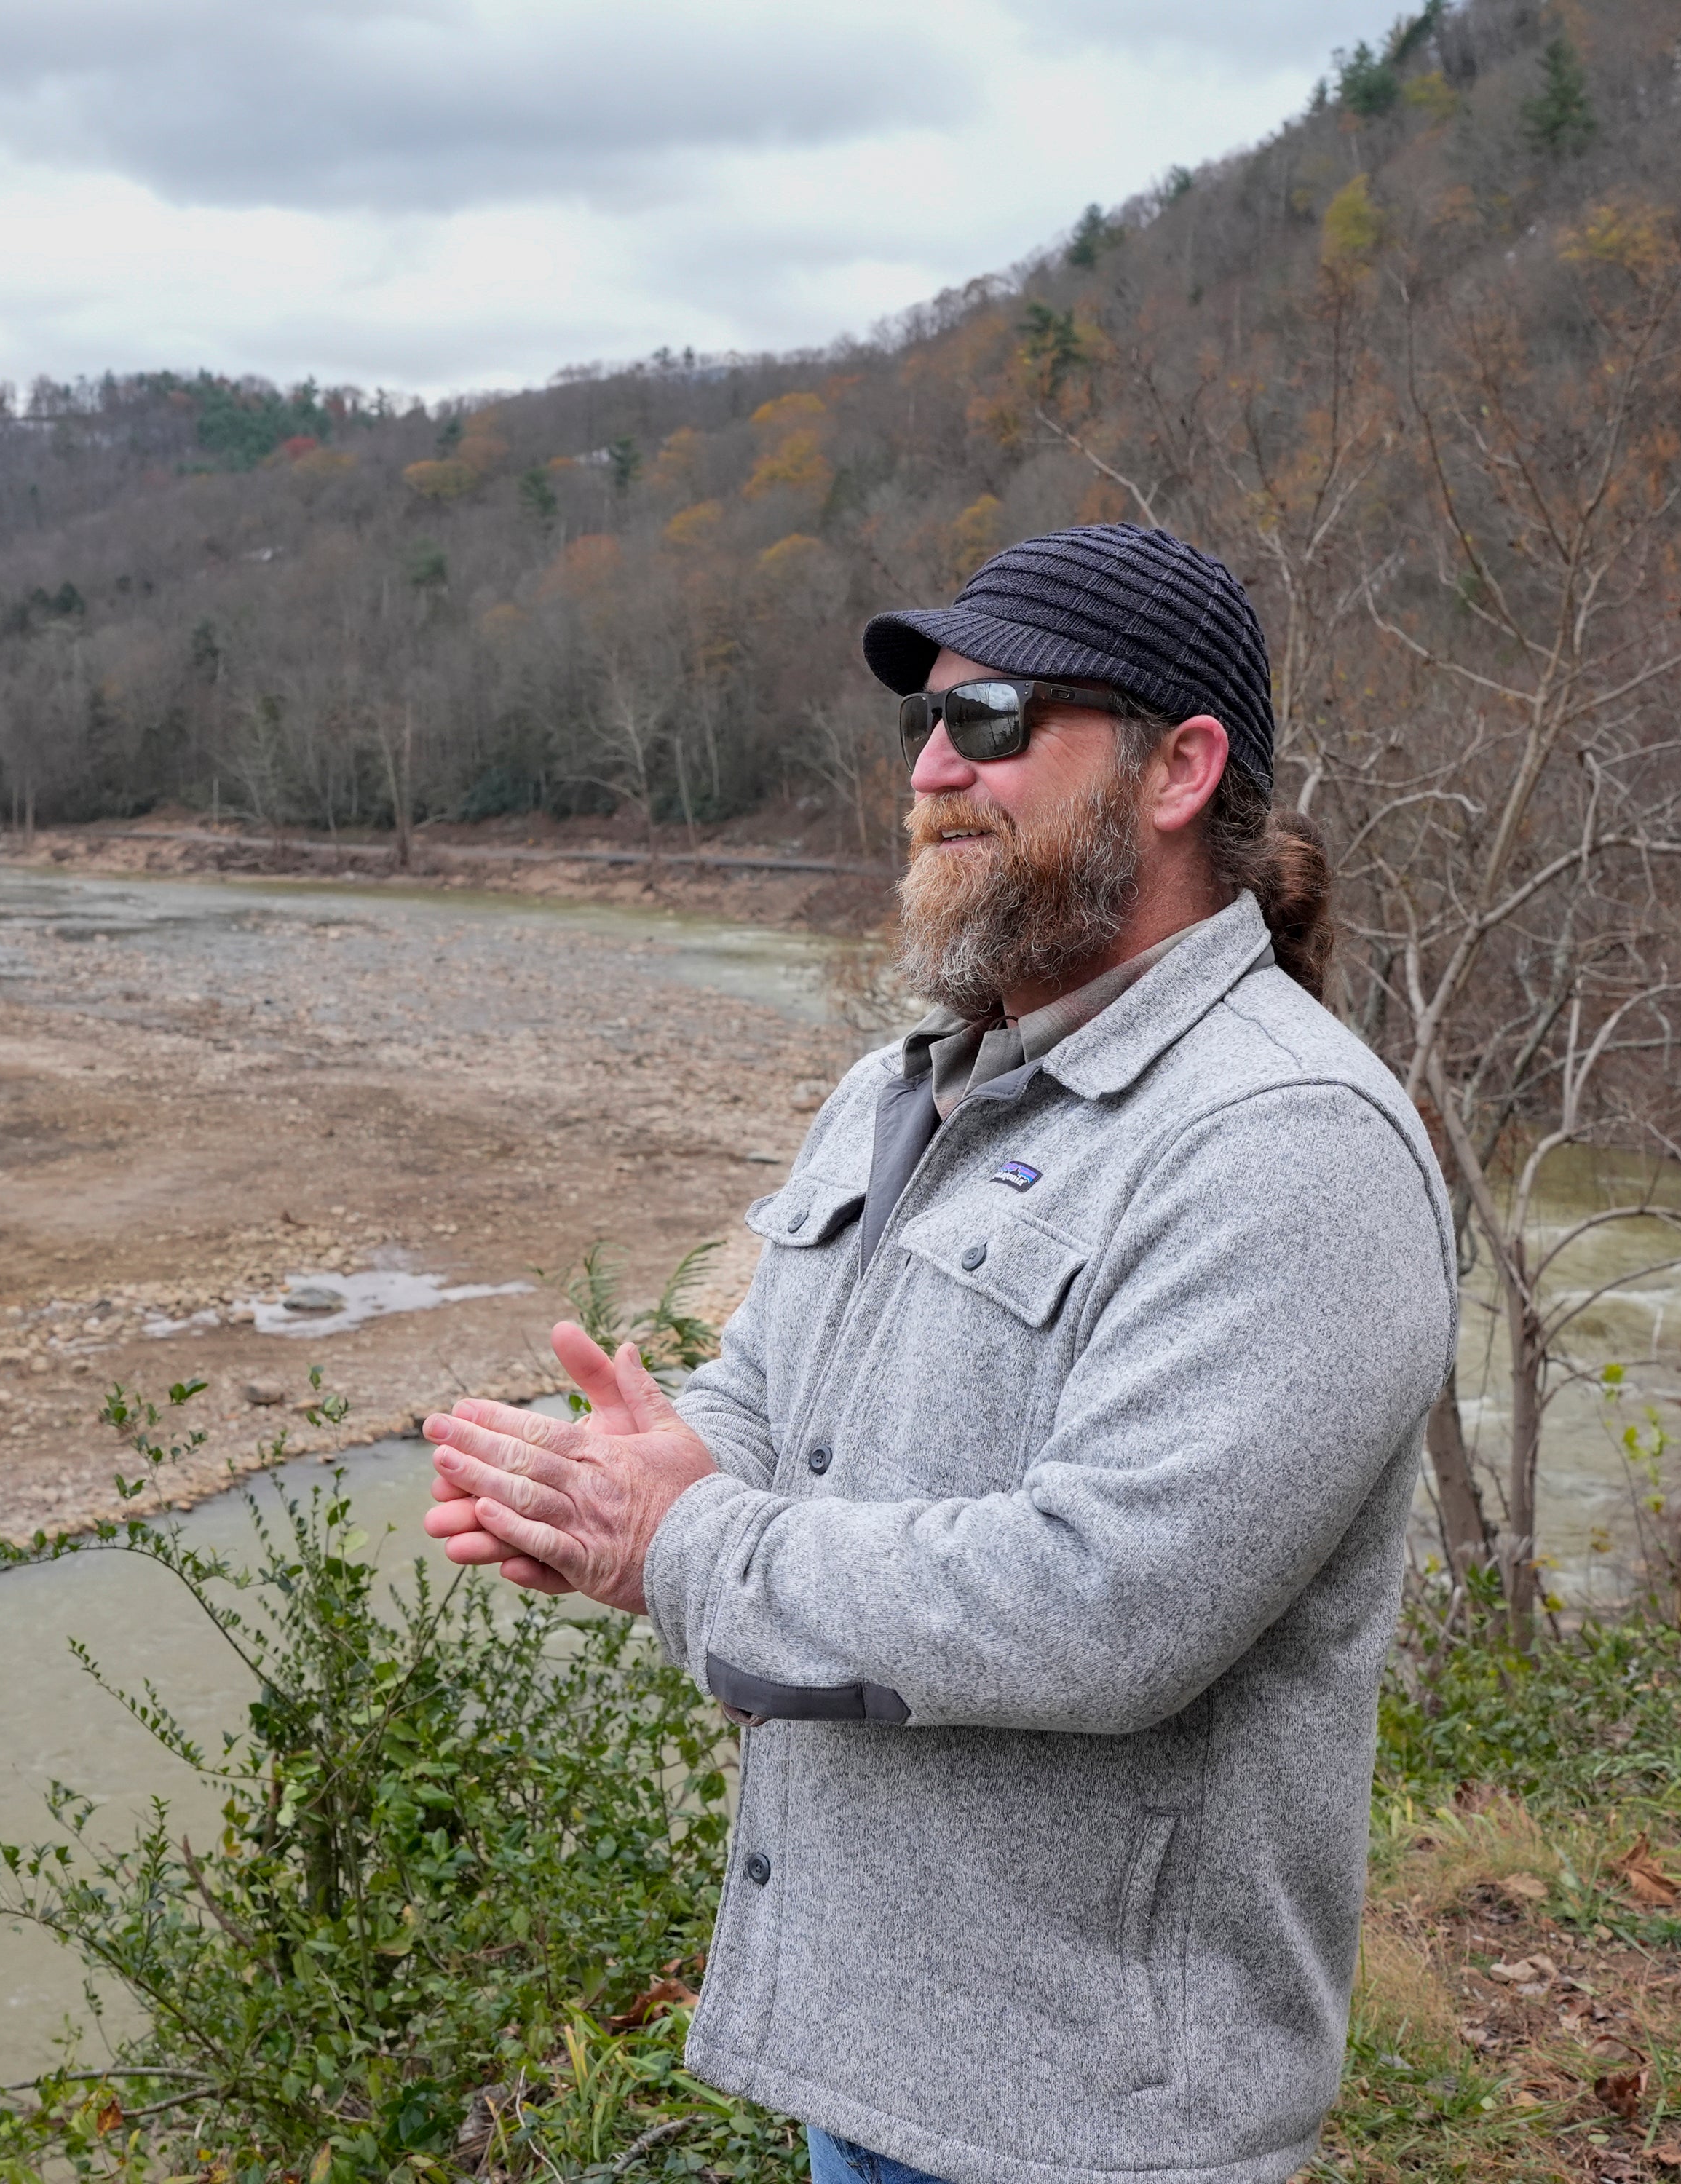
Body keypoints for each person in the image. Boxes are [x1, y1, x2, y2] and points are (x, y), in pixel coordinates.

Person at [423, 523, 1456, 2184]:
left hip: (1090, 2124)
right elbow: (771, 1396)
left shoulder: (1289, 1142)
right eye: (923, 724)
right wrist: (632, 1476)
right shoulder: (909, 1081)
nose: (929, 770)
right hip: (874, 2054)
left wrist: (681, 1545)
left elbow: (1113, 1599)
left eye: (991, 723)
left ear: (1180, 766)